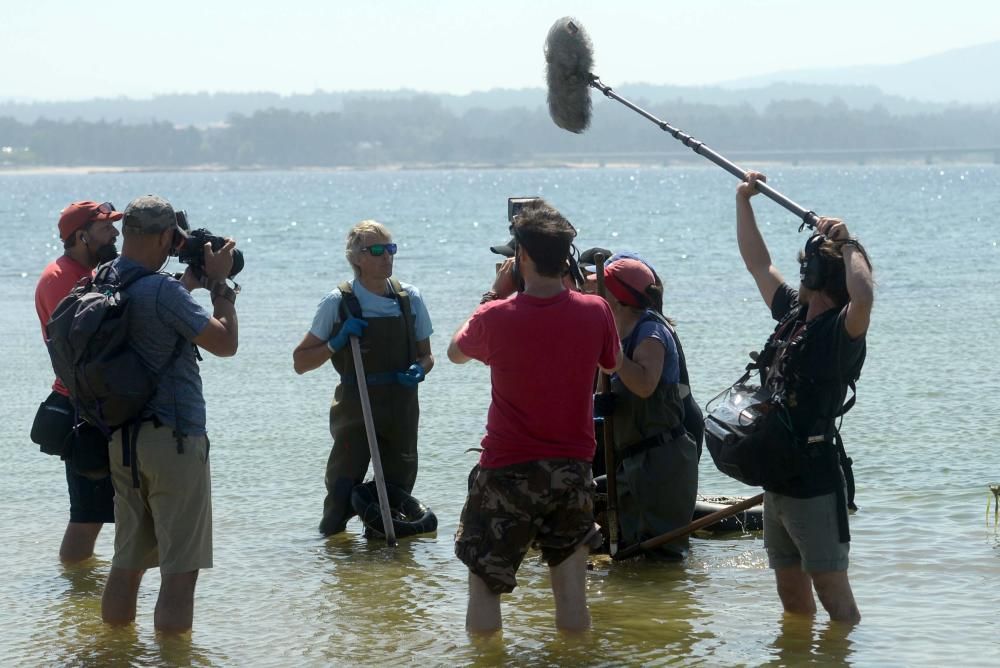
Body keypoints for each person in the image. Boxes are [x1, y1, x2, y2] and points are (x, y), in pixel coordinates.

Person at [448, 199, 621, 633]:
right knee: (571, 595)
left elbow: (454, 353)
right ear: (565, 256)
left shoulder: (494, 316)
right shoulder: (596, 310)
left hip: (507, 469)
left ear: (520, 256)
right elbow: (611, 365)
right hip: (572, 470)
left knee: (486, 589)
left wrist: (495, 293)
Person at [736, 171, 873, 624]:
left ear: (821, 274)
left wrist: (851, 243)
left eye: (809, 264)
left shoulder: (840, 331)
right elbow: (758, 264)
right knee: (791, 598)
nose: (801, 268)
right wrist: (745, 200)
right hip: (778, 477)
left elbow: (865, 297)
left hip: (814, 481)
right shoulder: (794, 313)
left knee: (834, 596)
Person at [100, 194, 239, 633]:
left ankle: (115, 656)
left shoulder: (103, 278)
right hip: (174, 441)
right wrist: (221, 289)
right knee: (180, 572)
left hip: (122, 439)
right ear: (164, 236)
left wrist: (191, 283)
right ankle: (173, 660)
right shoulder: (161, 290)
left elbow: (151, 312)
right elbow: (224, 344)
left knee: (127, 563)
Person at [293, 220, 434, 537]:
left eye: (390, 249)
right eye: (377, 250)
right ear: (356, 257)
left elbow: (427, 355)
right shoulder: (338, 302)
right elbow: (300, 361)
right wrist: (336, 341)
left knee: (394, 495)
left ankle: (384, 577)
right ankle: (335, 564)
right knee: (342, 490)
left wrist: (419, 370)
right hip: (356, 408)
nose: (387, 257)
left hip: (401, 407)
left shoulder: (409, 298)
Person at [595, 256, 699, 559]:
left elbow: (644, 385)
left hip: (661, 463)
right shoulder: (623, 334)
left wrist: (611, 352)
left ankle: (668, 606)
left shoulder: (651, 332)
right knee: (631, 556)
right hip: (633, 462)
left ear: (616, 297)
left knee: (661, 560)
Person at [34, 200, 121, 562]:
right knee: (87, 516)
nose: (115, 233)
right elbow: (84, 344)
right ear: (82, 236)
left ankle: (86, 599)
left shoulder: (89, 272)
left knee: (100, 514)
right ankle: (75, 594)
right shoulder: (60, 277)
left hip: (99, 405)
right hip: (82, 408)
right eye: (106, 228)